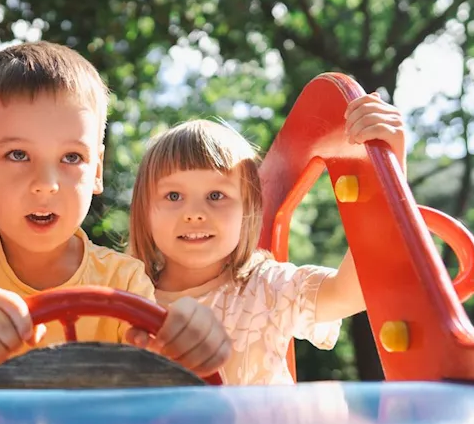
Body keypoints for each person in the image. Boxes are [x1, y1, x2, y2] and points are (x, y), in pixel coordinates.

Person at [0, 41, 230, 392]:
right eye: (18, 154)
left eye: (71, 158)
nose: (45, 184)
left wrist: (188, 348)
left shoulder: (124, 280)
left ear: (96, 170)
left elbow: (153, 399)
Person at [125, 94, 408, 386]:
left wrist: (390, 173)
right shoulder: (127, 296)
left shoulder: (267, 287)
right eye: (174, 196)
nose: (195, 214)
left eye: (216, 196)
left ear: (248, 211)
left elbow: (347, 294)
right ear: (145, 211)